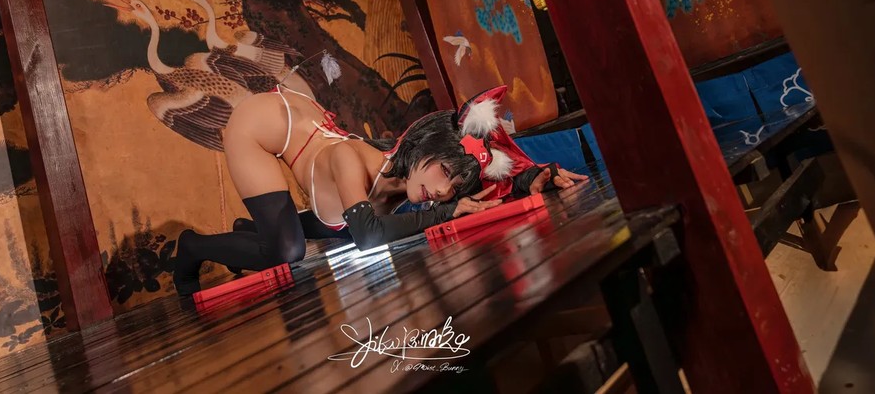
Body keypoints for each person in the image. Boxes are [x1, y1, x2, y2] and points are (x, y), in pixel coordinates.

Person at [171, 85, 586, 295]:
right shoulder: (350, 158)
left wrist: (534, 177)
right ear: (423, 149)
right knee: (287, 251)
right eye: (444, 172)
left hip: (305, 127)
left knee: (347, 226)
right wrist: (445, 213)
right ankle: (192, 247)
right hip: (260, 125)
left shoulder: (407, 180)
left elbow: (489, 190)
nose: (442, 191)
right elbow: (370, 236)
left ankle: (255, 229)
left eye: (453, 187)